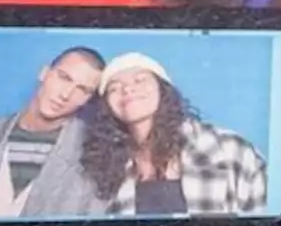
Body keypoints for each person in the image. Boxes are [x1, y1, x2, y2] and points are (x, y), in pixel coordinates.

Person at [81, 52, 268, 217]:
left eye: (140, 80)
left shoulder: (229, 149)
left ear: (163, 90)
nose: (128, 89)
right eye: (114, 87)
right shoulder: (105, 169)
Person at [0, 46, 108, 219]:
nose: (66, 94)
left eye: (82, 90)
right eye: (64, 78)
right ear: (44, 73)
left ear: (88, 100)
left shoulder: (94, 153)